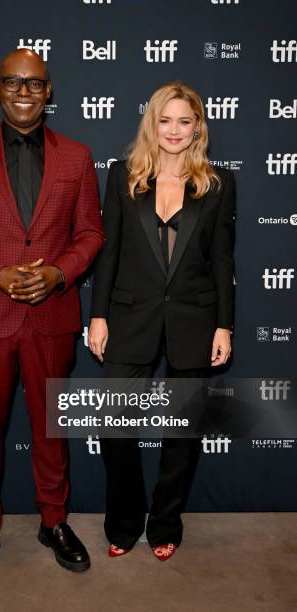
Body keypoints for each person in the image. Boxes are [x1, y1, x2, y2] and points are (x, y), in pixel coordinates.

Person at [0, 48, 104, 585]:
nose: (24, 92)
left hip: (52, 316)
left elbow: (91, 234)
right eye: (14, 82)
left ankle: (54, 522)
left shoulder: (76, 156)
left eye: (35, 83)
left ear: (49, 92)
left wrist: (58, 273)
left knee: (51, 431)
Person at [88, 80, 236, 561]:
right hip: (130, 317)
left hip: (196, 317)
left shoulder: (217, 184)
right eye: (165, 120)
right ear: (152, 123)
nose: (174, 130)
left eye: (184, 121)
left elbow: (222, 262)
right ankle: (125, 521)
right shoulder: (122, 175)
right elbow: (108, 255)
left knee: (183, 433)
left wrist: (224, 326)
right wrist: (98, 315)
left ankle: (166, 521)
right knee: (114, 425)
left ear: (198, 128)